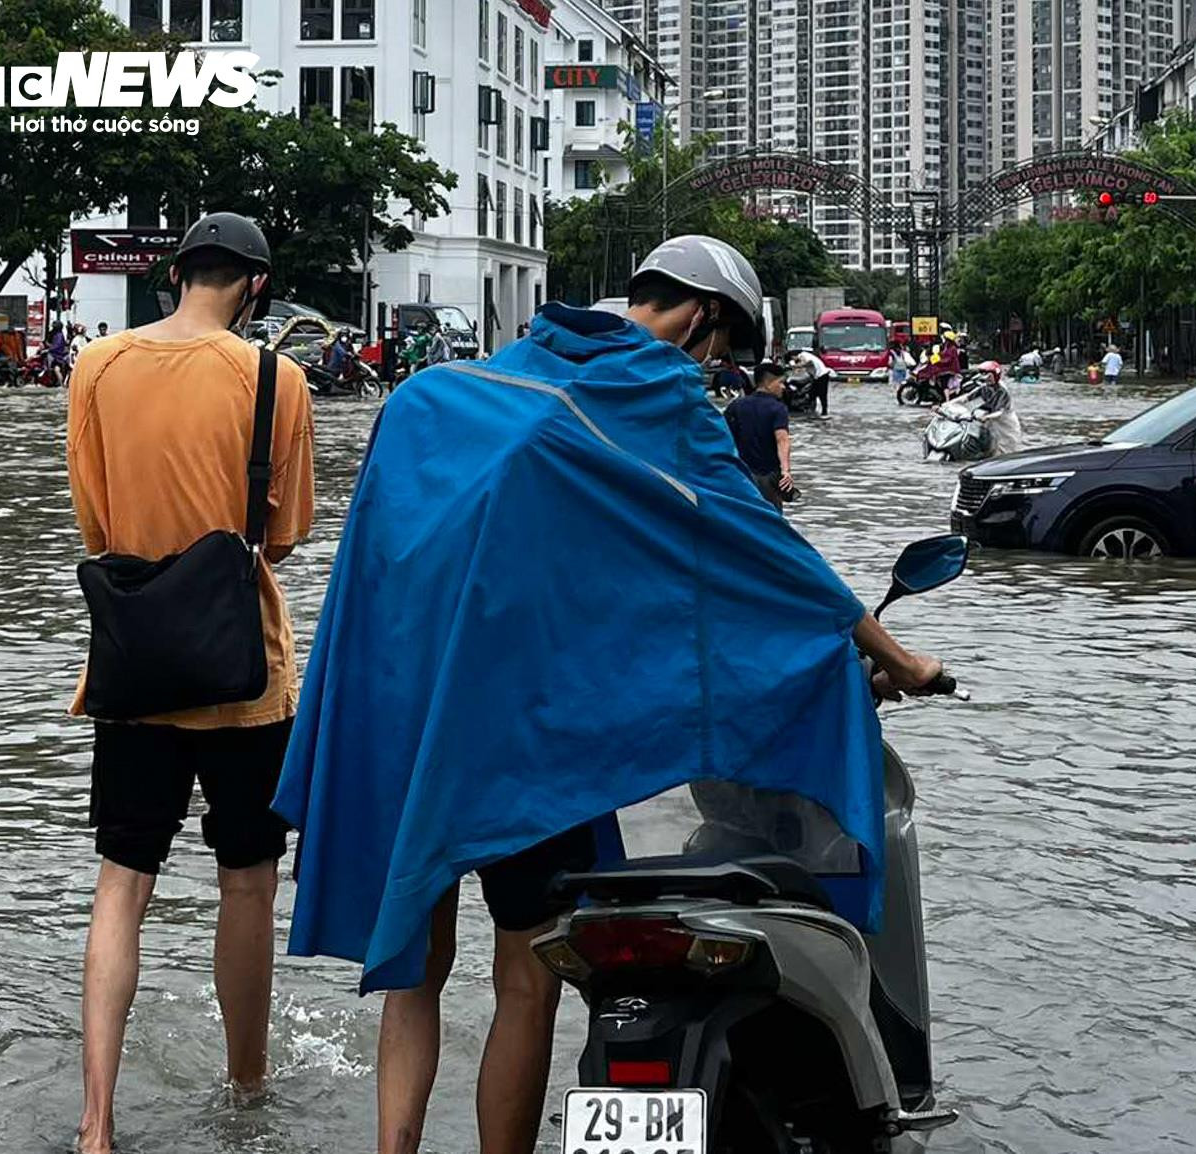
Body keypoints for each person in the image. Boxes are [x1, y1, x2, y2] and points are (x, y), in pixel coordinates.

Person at [271, 234, 943, 1154]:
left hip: (404, 723)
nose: (715, 369)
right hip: (530, 748)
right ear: (703, 317)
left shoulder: (436, 398)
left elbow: (376, 585)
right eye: (721, 349)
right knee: (526, 978)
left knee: (415, 979)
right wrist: (896, 658)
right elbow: (762, 556)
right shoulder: (659, 397)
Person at [66, 212, 315, 1154]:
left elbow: (95, 526)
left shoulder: (95, 365)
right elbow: (283, 534)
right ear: (254, 286)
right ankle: (247, 1091)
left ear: (174, 274)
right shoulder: (274, 378)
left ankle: (96, 1124)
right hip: (243, 673)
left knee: (121, 882)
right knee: (245, 884)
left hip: (131, 668)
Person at [723, 360, 794, 511]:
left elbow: (724, 438)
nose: (783, 387)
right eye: (781, 382)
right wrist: (786, 471)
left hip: (741, 476)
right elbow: (782, 439)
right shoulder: (777, 408)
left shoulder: (736, 405)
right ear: (769, 383)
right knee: (772, 520)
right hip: (768, 476)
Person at [790, 344, 831, 416]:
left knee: (822, 394)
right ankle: (809, 411)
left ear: (794, 356)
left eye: (793, 358)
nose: (793, 360)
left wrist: (795, 366)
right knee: (812, 394)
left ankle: (824, 412)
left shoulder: (802, 355)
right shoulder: (806, 355)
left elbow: (805, 362)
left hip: (822, 376)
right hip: (817, 377)